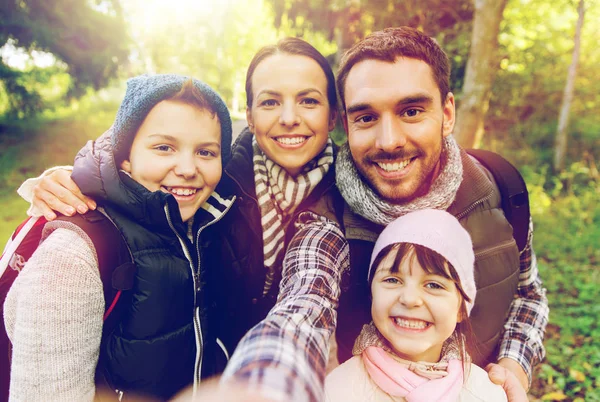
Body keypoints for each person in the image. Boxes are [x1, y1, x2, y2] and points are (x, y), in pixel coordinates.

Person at [11, 38, 346, 402]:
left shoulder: (355, 190)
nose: (288, 117)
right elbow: (140, 160)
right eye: (269, 101)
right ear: (249, 115)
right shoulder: (223, 177)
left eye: (309, 100)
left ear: (334, 116)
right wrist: (67, 179)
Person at [4, 74, 236, 401]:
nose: (187, 168)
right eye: (164, 147)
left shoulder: (202, 227)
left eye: (206, 152)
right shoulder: (72, 257)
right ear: (125, 156)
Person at [324, 209, 507, 401]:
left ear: (461, 309)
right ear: (372, 294)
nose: (410, 299)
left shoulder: (486, 394)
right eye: (393, 280)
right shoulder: (337, 390)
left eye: (434, 285)